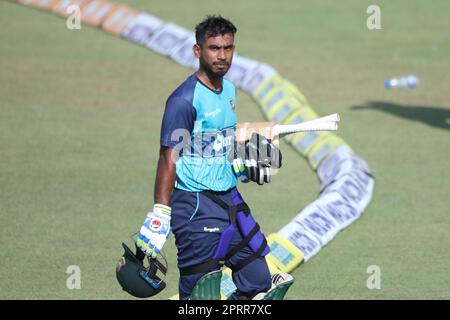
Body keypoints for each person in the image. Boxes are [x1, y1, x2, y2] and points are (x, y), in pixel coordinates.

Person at [136, 15, 284, 300]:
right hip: (194, 208)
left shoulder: (229, 90)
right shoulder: (184, 100)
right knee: (199, 297)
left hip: (229, 201)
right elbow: (168, 157)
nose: (222, 55)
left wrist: (242, 166)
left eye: (228, 48)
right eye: (214, 48)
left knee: (260, 285)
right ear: (197, 51)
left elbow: (219, 144)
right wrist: (160, 214)